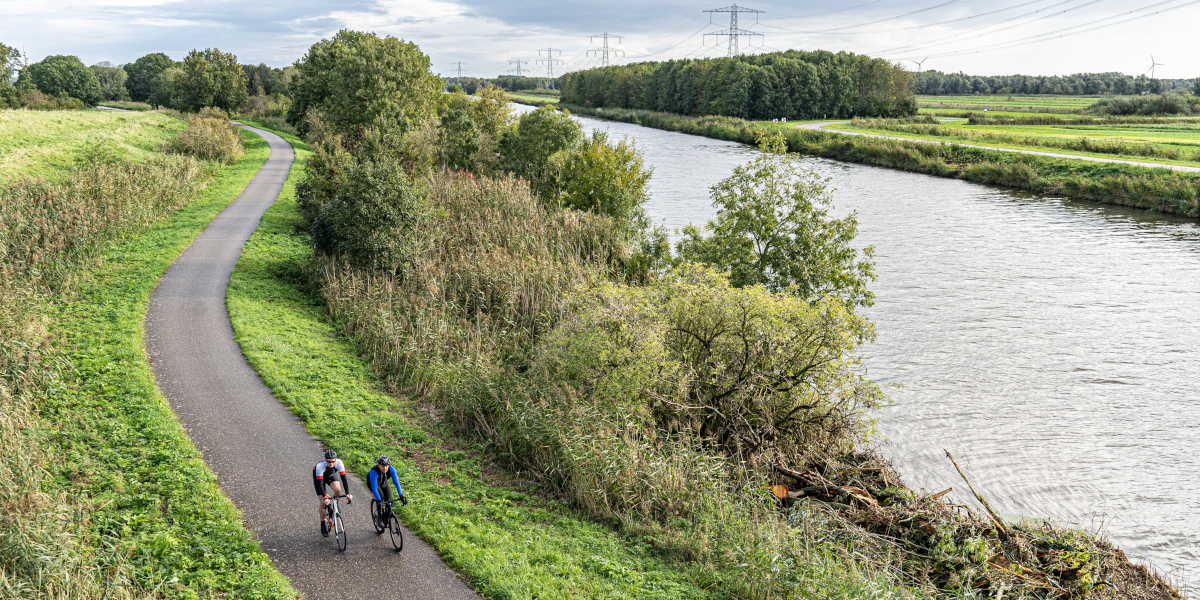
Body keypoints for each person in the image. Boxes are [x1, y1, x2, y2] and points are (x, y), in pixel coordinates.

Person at [313, 449, 352, 537]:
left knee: (338, 490)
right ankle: (322, 524)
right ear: (325, 460)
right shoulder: (320, 466)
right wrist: (325, 497)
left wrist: (348, 493)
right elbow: (320, 484)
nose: (331, 464)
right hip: (320, 479)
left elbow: (344, 479)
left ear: (335, 460)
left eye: (333, 462)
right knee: (323, 503)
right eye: (329, 462)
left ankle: (334, 507)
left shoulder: (339, 463)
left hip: (330, 475)